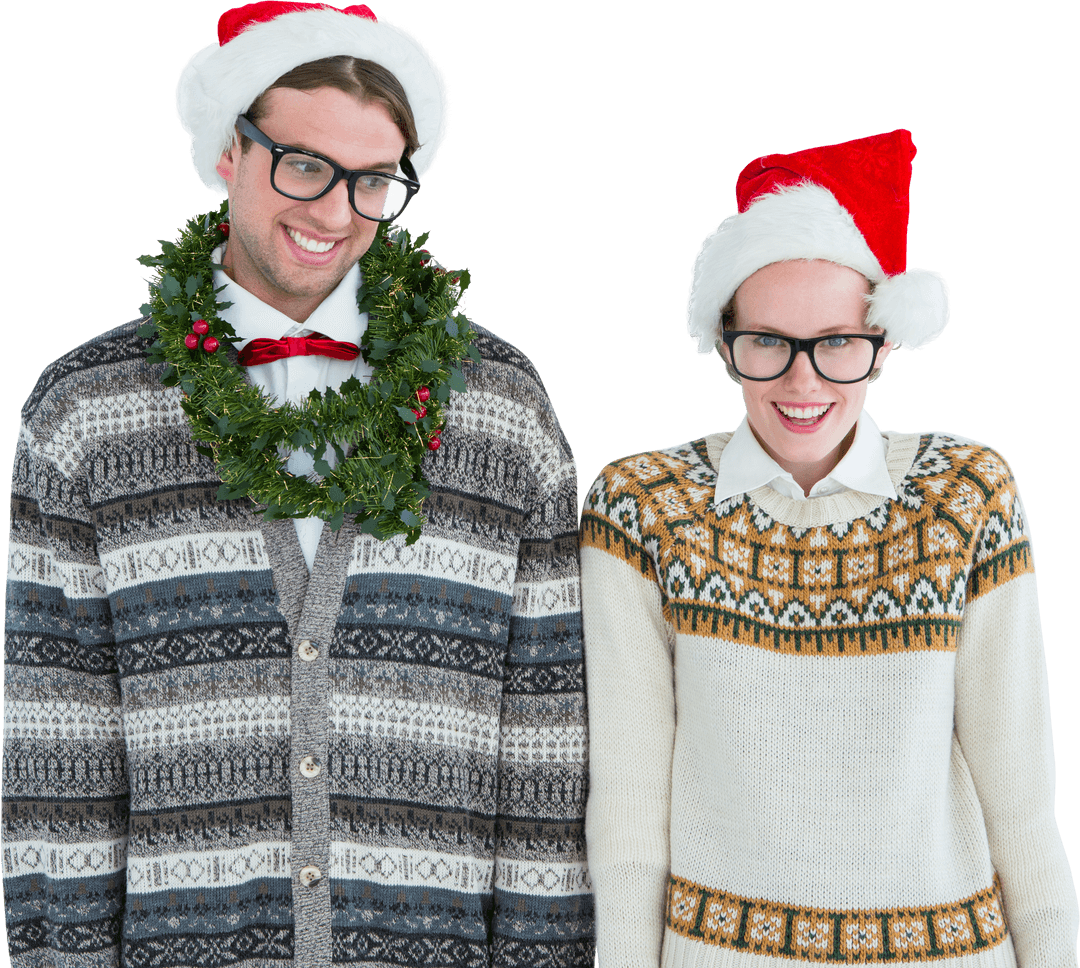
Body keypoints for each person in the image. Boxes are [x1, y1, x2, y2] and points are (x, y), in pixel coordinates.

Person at [1, 3, 592, 966]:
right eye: (305, 165)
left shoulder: (500, 407)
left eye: (372, 180)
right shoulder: (86, 409)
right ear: (230, 152)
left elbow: (547, 739)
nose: (334, 212)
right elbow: (56, 747)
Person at [579, 130, 1078, 967]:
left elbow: (1022, 797)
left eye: (837, 342)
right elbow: (628, 816)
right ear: (725, 343)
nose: (802, 380)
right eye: (768, 340)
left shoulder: (968, 493)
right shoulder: (642, 507)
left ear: (882, 344)